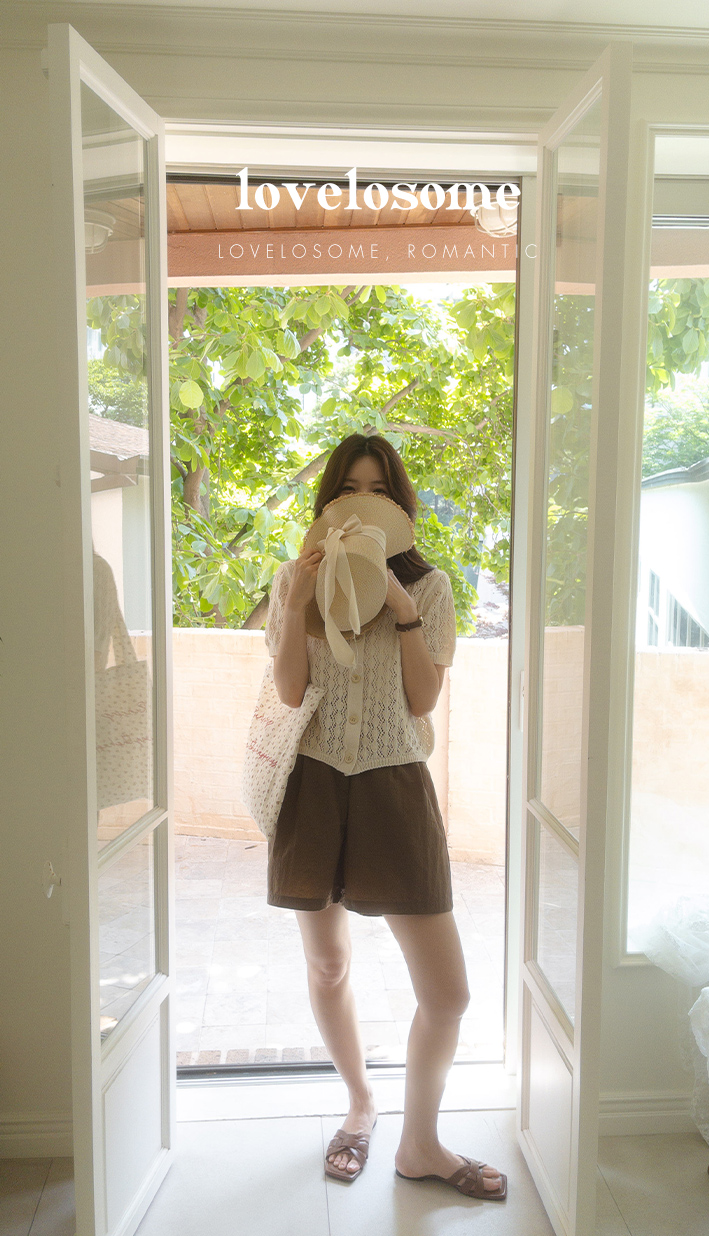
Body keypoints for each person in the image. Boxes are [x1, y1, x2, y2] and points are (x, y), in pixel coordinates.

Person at [264, 432, 507, 1201]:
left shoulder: (429, 587)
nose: (363, 504)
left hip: (394, 786)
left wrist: (400, 610)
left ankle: (420, 1144)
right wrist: (297, 602)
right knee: (328, 965)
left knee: (448, 994)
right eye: (349, 489)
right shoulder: (294, 579)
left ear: (399, 506)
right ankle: (360, 1106)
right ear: (329, 503)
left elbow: (422, 701)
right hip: (313, 783)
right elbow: (291, 694)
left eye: (380, 490)